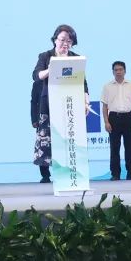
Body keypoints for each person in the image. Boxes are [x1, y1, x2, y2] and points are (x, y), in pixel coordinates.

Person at [32, 24, 90, 183]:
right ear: (55, 40)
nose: (65, 44)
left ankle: (70, 174)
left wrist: (85, 100)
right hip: (49, 105)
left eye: (69, 41)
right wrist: (51, 68)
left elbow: (83, 83)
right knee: (48, 141)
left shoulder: (76, 58)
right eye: (63, 40)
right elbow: (36, 75)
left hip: (70, 105)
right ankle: (47, 175)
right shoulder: (45, 56)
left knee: (69, 140)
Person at [101, 61, 131, 180]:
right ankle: (115, 174)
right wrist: (106, 122)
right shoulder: (107, 87)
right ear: (113, 72)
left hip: (129, 117)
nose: (118, 72)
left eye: (120, 69)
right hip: (113, 118)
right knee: (114, 148)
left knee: (130, 147)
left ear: (125, 71)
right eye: (116, 70)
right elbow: (104, 106)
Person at [29, 80, 49, 182]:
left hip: (60, 117)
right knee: (43, 146)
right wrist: (34, 119)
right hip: (43, 118)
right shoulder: (37, 83)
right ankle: (45, 175)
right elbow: (34, 102)